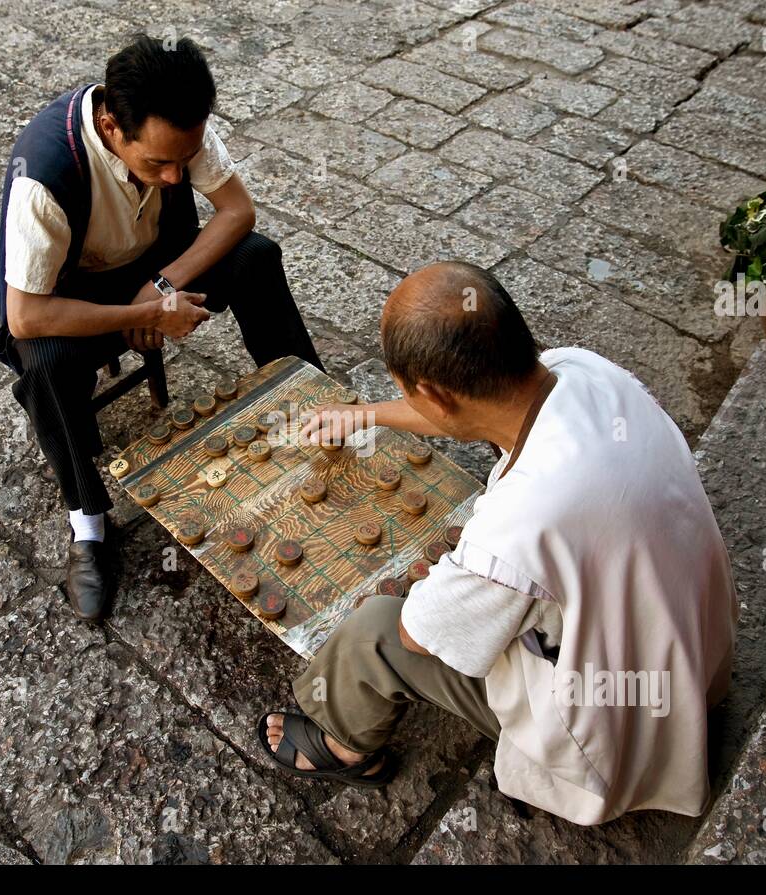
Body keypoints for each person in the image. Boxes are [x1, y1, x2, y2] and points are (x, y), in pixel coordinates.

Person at [259, 262, 737, 824]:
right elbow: (480, 411)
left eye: (408, 394)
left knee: (373, 632)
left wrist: (447, 586)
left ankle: (342, 743)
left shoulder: (518, 529)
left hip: (617, 728)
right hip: (694, 656)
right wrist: (365, 414)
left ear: (433, 396)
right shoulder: (586, 371)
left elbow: (418, 637)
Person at [0, 35, 324, 621]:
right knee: (42, 364)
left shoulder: (178, 125)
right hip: (75, 302)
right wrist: (142, 315)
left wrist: (162, 288)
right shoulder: (44, 175)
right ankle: (88, 526)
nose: (174, 177)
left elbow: (238, 212)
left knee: (256, 256)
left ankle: (312, 404)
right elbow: (26, 315)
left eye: (183, 161)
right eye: (157, 164)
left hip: (155, 272)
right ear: (112, 125)